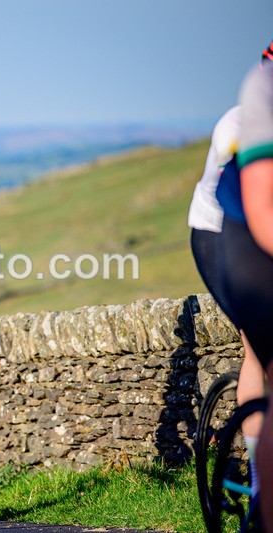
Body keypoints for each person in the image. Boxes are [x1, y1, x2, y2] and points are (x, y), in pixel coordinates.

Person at [190, 105, 266, 495]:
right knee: (260, 346)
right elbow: (250, 206)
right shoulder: (240, 124)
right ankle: (260, 475)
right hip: (221, 232)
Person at [217, 52, 273, 530]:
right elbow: (263, 213)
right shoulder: (262, 92)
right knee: (260, 354)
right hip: (240, 232)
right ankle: (264, 495)